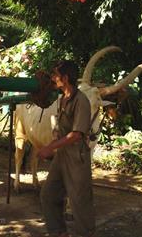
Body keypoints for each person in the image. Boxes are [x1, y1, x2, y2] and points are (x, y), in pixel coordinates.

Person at [38, 60, 95, 237]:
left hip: (77, 158)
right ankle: (59, 232)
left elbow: (77, 134)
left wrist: (50, 147)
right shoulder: (62, 99)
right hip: (61, 157)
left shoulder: (81, 101)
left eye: (56, 75)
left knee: (80, 203)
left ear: (66, 77)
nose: (53, 78)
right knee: (48, 195)